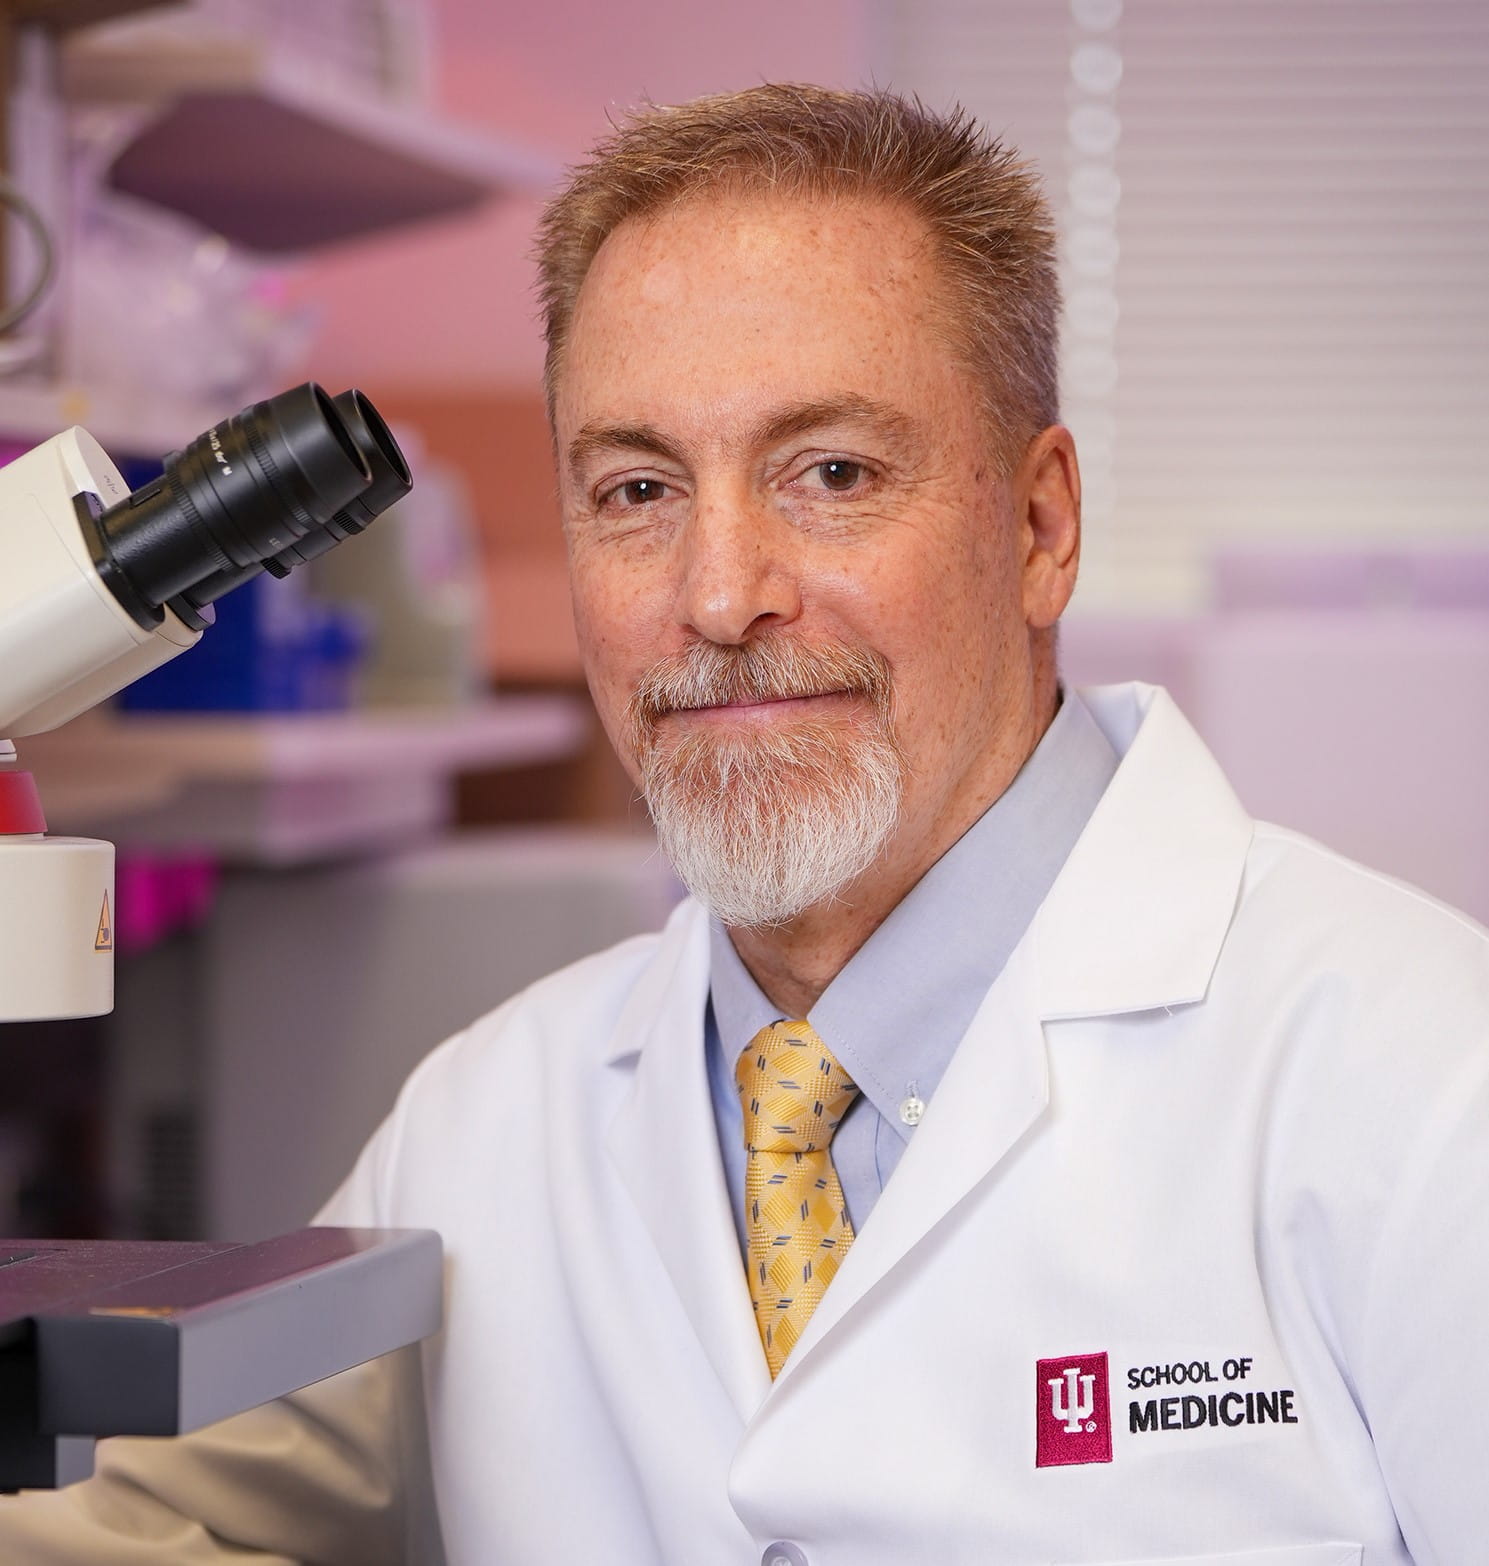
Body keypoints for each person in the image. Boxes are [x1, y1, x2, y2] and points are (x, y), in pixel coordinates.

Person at [1, 82, 1485, 1566]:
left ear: (1038, 527)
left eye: (830, 473)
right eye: (636, 488)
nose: (717, 597)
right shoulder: (484, 1127)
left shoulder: (1417, 1086)